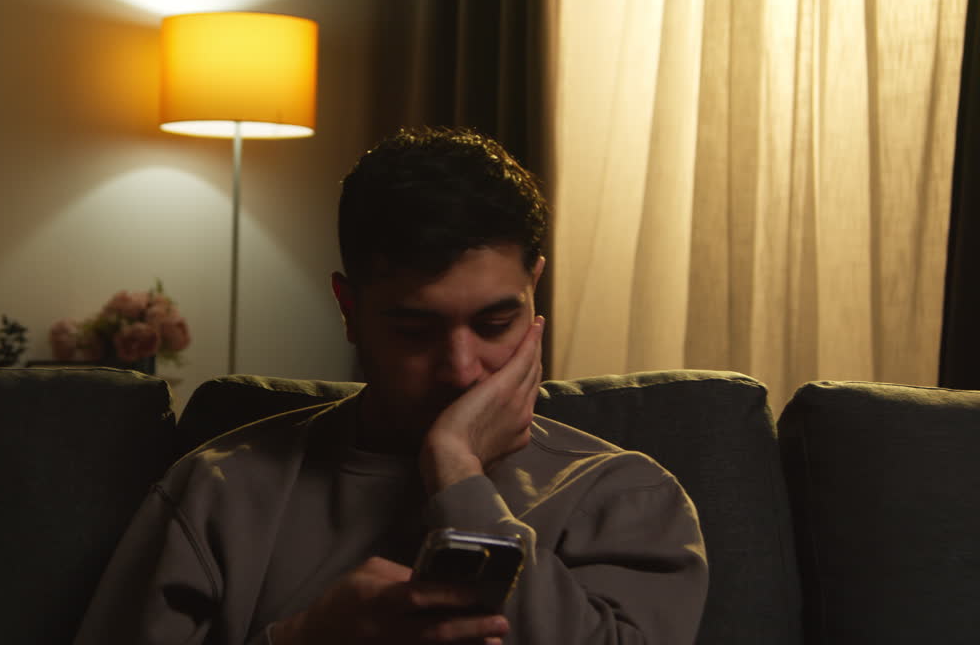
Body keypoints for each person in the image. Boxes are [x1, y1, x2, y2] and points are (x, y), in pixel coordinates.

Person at [73, 127, 708, 644]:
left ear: (533, 288)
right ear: (348, 307)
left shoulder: (626, 497)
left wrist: (457, 476)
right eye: (414, 328)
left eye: (495, 323)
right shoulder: (218, 489)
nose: (461, 369)